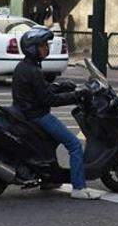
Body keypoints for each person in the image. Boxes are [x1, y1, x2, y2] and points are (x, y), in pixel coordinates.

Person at [12, 28, 100, 200]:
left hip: (26, 113)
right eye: (43, 45)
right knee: (74, 144)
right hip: (37, 115)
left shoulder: (24, 67)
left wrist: (63, 86)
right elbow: (48, 99)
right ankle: (79, 188)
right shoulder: (33, 70)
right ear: (32, 49)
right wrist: (77, 96)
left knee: (49, 144)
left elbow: (40, 90)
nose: (47, 48)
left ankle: (48, 179)